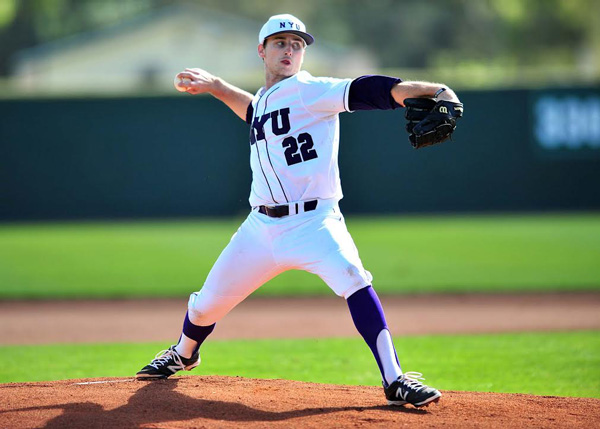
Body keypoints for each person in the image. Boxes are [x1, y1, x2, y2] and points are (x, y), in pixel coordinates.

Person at [136, 13, 462, 408]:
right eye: (280, 43)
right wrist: (217, 86)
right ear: (262, 50)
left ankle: (394, 379)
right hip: (261, 228)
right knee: (205, 304)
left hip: (315, 222)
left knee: (354, 279)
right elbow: (254, 112)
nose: (290, 50)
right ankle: (184, 353)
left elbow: (371, 89)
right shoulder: (268, 101)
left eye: (297, 44)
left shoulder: (310, 91)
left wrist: (432, 89)